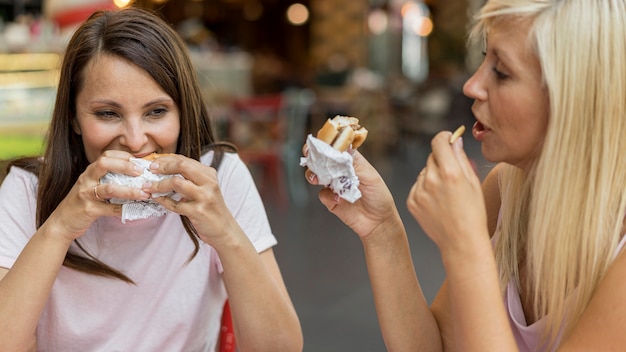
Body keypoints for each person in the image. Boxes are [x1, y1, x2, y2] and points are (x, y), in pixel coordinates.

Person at [305, 0, 626, 351]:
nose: (472, 85)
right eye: (484, 59)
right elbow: (434, 347)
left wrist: (465, 246)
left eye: (501, 72)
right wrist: (381, 229)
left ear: (576, 97)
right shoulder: (505, 191)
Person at [0, 7, 303, 352]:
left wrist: (225, 234)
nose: (135, 139)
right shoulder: (28, 189)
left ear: (182, 111)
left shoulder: (219, 177)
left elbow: (280, 348)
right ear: (73, 118)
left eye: (156, 111)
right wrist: (60, 226)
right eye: (107, 114)